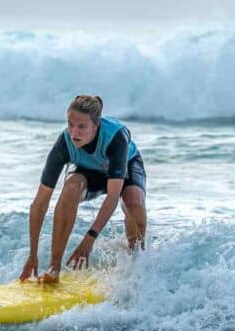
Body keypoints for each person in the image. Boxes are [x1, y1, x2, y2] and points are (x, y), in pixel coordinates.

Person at [20, 95, 147, 284]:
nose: (74, 133)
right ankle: (54, 269)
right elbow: (40, 203)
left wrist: (90, 239)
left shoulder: (115, 137)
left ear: (96, 126)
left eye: (81, 127)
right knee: (70, 188)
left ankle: (136, 263)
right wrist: (32, 255)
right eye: (70, 124)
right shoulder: (64, 143)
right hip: (87, 172)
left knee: (134, 203)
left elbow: (112, 197)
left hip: (125, 167)